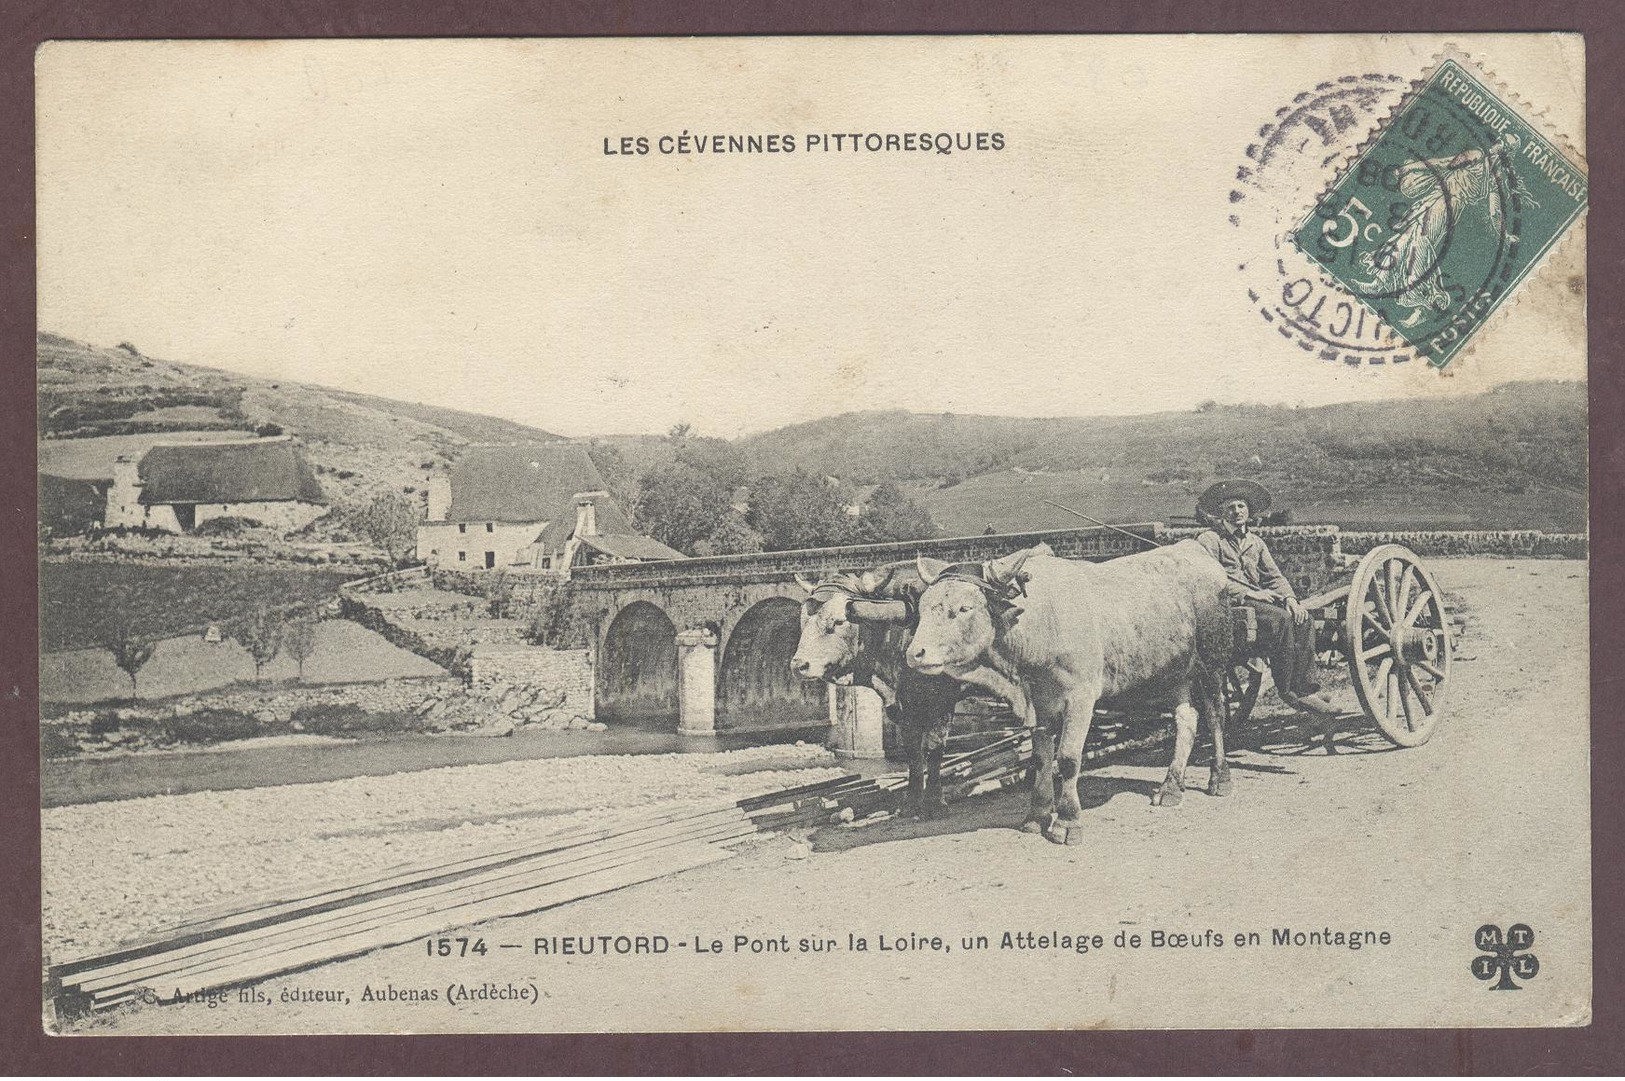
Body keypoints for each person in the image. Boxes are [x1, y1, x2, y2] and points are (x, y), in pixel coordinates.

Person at [1194, 480, 1339, 715]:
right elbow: (1209, 579)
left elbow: (1274, 577)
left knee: (1303, 618)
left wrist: (1291, 599)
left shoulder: (1255, 542)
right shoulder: (1210, 540)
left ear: (1249, 511)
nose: (1237, 511)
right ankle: (1288, 692)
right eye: (1231, 507)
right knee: (1280, 620)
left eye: (1241, 506)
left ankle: (1306, 688)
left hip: (1258, 601)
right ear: (1221, 512)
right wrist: (1250, 592)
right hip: (1229, 603)